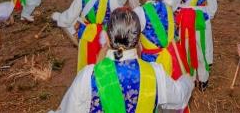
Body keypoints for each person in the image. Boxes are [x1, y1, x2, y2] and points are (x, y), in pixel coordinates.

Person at [54, 7, 194, 113]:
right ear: (138, 39)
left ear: (107, 39)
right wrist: (188, 79)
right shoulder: (155, 73)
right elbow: (180, 98)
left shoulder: (88, 76)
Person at [52, 0, 120, 72]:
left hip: (87, 35)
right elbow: (118, 20)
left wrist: (58, 17)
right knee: (104, 65)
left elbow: (69, 16)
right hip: (105, 38)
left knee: (87, 64)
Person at [169, 0, 217, 90]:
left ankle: (190, 78)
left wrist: (180, 10)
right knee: (202, 49)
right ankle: (203, 80)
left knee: (187, 49)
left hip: (185, 22)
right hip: (202, 22)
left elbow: (171, 3)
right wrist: (206, 14)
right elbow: (213, 5)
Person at [133, 0, 188, 80]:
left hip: (151, 61)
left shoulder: (140, 12)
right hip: (172, 57)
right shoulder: (169, 7)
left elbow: (133, 38)